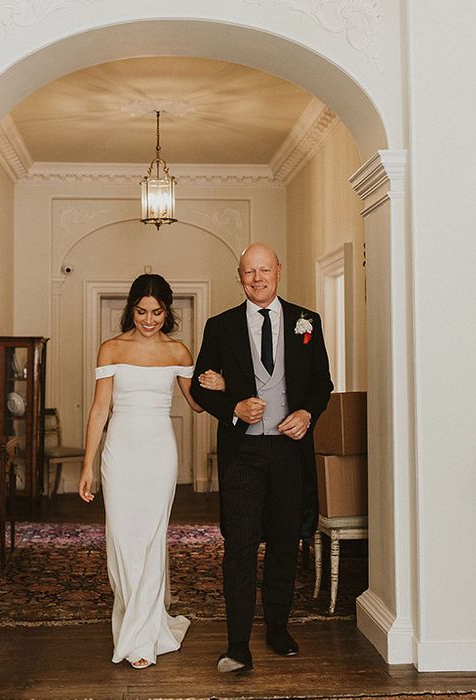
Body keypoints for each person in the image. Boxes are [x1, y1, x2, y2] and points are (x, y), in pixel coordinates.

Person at [191, 243, 333, 674]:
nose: (257, 278)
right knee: (240, 544)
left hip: (290, 451)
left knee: (286, 542)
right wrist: (234, 407)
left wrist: (307, 413)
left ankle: (277, 628)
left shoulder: (307, 322)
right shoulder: (221, 326)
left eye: (264, 270)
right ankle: (237, 644)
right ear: (239, 276)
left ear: (278, 272)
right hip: (243, 453)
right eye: (249, 271)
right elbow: (199, 388)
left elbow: (322, 383)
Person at [78, 274, 218, 669]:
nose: (149, 319)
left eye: (156, 312)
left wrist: (219, 383)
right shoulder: (111, 349)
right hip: (120, 452)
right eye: (141, 311)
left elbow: (196, 403)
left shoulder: (178, 351)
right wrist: (88, 463)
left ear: (167, 311)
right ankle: (138, 621)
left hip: (159, 452)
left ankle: (140, 639)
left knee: (151, 541)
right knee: (122, 540)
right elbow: (100, 409)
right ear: (131, 309)